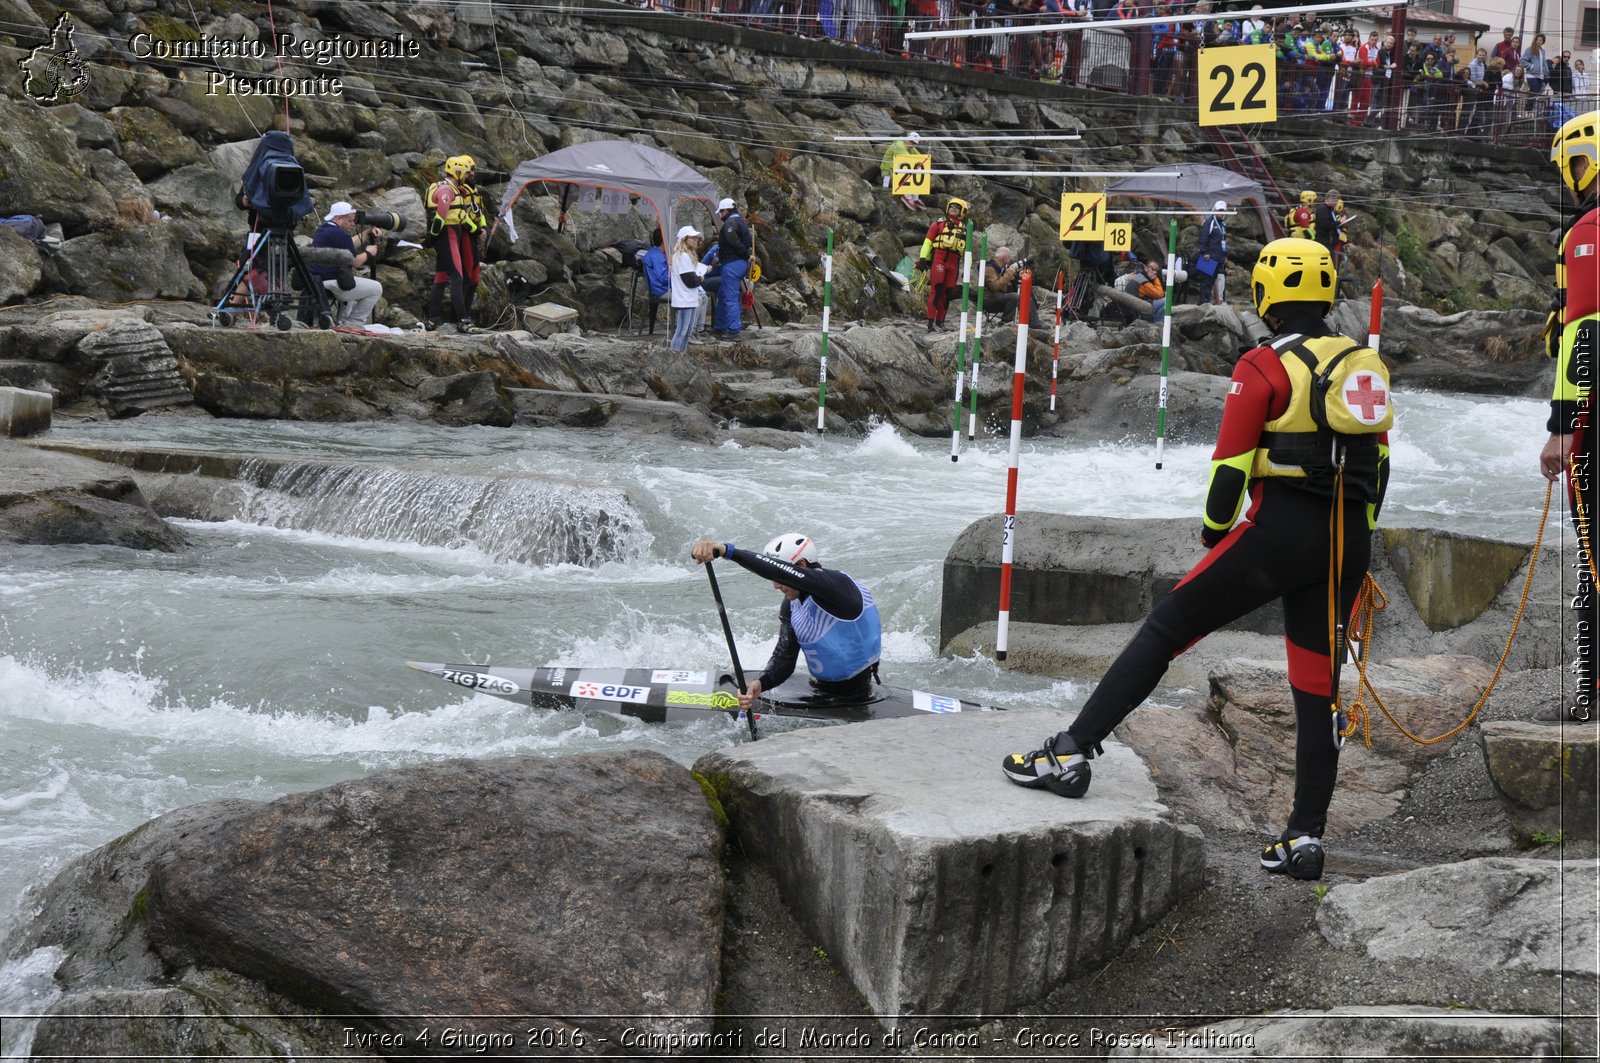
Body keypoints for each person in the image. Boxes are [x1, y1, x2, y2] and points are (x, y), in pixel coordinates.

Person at [1002, 237, 1392, 884]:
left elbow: (1230, 468)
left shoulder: (1262, 364)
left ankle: (1069, 753)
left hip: (1277, 533)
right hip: (1347, 540)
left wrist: (1215, 536)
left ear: (1268, 295)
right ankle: (1302, 838)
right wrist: (1354, 548)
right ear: (1324, 294)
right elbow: (1376, 468)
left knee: (1166, 627)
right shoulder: (1363, 363)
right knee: (1316, 689)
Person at [1537, 111, 1600, 723]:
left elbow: (1586, 338)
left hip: (1595, 426)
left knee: (1594, 563)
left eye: (1576, 165)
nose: (1573, 179)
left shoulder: (1589, 231)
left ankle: (1593, 696)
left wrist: (1563, 427)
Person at [689, 533, 882, 710]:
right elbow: (785, 657)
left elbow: (776, 570)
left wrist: (726, 550)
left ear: (802, 566)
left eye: (779, 577)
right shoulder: (792, 604)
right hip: (822, 692)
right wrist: (760, 683)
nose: (775, 585)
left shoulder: (839, 589)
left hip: (860, 696)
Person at [425, 154, 488, 334]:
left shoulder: (454, 189)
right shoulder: (447, 190)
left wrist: (476, 230)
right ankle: (463, 320)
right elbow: (441, 215)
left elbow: (461, 216)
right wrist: (432, 236)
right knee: (457, 276)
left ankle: (433, 317)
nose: (468, 176)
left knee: (441, 277)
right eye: (466, 172)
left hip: (451, 232)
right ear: (458, 172)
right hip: (447, 234)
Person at [308, 201, 384, 327]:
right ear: (338, 218)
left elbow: (348, 244)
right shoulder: (339, 234)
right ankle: (353, 323)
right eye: (350, 221)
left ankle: (341, 321)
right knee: (376, 288)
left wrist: (367, 233)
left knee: (350, 282)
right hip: (332, 282)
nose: (353, 224)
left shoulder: (322, 230)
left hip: (317, 281)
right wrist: (368, 253)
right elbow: (354, 262)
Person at [915, 197, 970, 332]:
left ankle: (940, 322)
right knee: (937, 289)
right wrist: (923, 258)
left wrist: (968, 267)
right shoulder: (938, 224)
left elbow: (968, 251)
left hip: (954, 264)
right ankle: (930, 322)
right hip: (939, 260)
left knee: (948, 292)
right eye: (952, 206)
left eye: (957, 208)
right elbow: (928, 242)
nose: (953, 209)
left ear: (962, 212)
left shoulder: (966, 230)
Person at [711, 198, 752, 340]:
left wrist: (745, 254)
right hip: (739, 264)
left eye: (721, 212)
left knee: (730, 297)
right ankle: (719, 327)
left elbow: (733, 241)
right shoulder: (741, 221)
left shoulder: (729, 223)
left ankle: (734, 330)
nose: (720, 215)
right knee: (723, 294)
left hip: (733, 264)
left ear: (726, 210)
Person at [668, 224, 708, 353]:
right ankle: (674, 356)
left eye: (697, 238)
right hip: (685, 299)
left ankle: (681, 356)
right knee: (681, 331)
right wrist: (700, 278)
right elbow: (691, 281)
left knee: (687, 332)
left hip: (689, 298)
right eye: (693, 237)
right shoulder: (683, 256)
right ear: (685, 239)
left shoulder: (684, 256)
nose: (697, 240)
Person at [984, 245, 1031, 324]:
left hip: (998, 297)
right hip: (989, 300)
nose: (1010, 259)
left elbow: (1005, 285)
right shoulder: (989, 269)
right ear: (1004, 258)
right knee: (1014, 297)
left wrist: (1014, 275)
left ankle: (1034, 323)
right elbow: (995, 287)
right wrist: (1009, 274)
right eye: (1009, 257)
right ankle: (1006, 322)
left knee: (1025, 298)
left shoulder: (1001, 268)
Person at [881, 131, 927, 211]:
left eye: (914, 144)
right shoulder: (899, 145)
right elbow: (908, 159)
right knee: (911, 167)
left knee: (917, 170)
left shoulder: (909, 146)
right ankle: (907, 196)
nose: (912, 145)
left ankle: (915, 198)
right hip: (887, 174)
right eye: (911, 142)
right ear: (907, 139)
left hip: (897, 173)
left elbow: (921, 159)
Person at [1193, 200, 1227, 305]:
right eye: (1219, 210)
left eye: (1223, 210)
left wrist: (1224, 256)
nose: (1221, 213)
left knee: (1211, 282)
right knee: (1205, 282)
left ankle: (1206, 302)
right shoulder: (1210, 222)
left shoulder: (1223, 224)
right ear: (1215, 210)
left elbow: (1223, 241)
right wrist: (1205, 253)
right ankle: (1203, 303)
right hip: (1209, 258)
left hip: (1218, 258)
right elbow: (1203, 238)